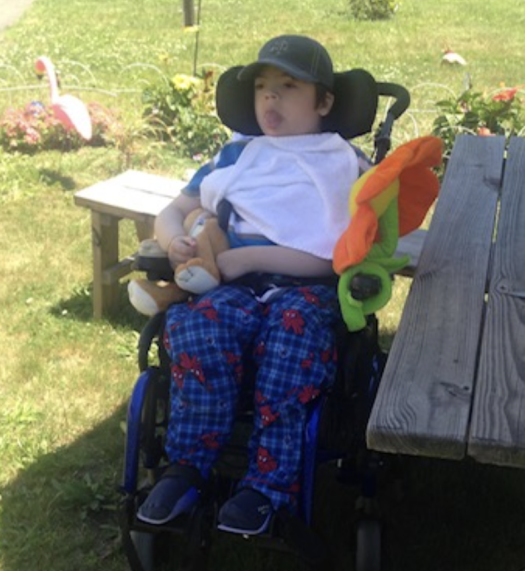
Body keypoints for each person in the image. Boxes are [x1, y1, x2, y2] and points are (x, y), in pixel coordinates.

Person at [136, 34, 368, 535]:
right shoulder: (237, 154)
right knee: (199, 326)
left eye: (289, 86)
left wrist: (248, 258)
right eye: (262, 87)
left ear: (324, 102)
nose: (270, 97)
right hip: (229, 283)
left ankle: (267, 486)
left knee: (292, 334)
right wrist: (175, 242)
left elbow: (350, 248)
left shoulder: (345, 162)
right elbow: (175, 210)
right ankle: (187, 467)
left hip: (305, 285)